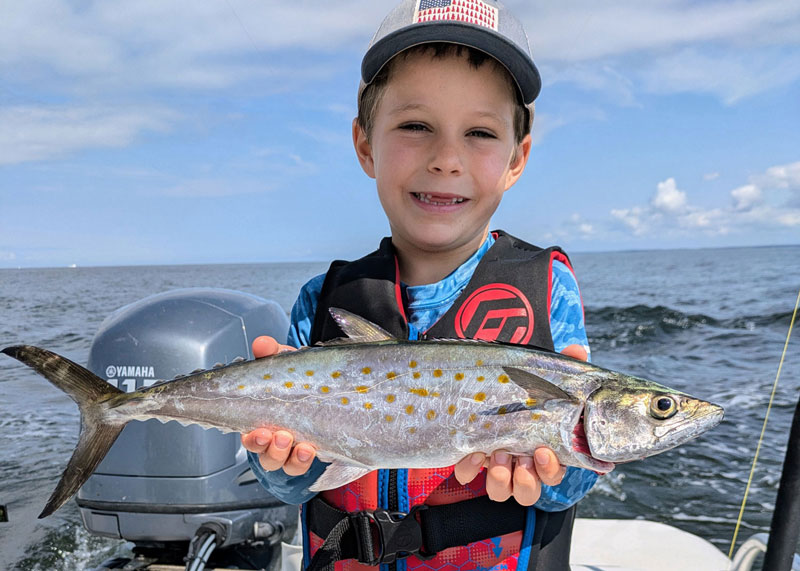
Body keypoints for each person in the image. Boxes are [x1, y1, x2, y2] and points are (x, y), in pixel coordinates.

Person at [241, 1, 598, 569]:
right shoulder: (321, 298)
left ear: (516, 158)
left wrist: (556, 465)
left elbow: (571, 486)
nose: (446, 158)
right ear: (365, 145)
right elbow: (289, 487)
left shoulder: (547, 288)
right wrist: (284, 459)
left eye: (480, 132)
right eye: (415, 126)